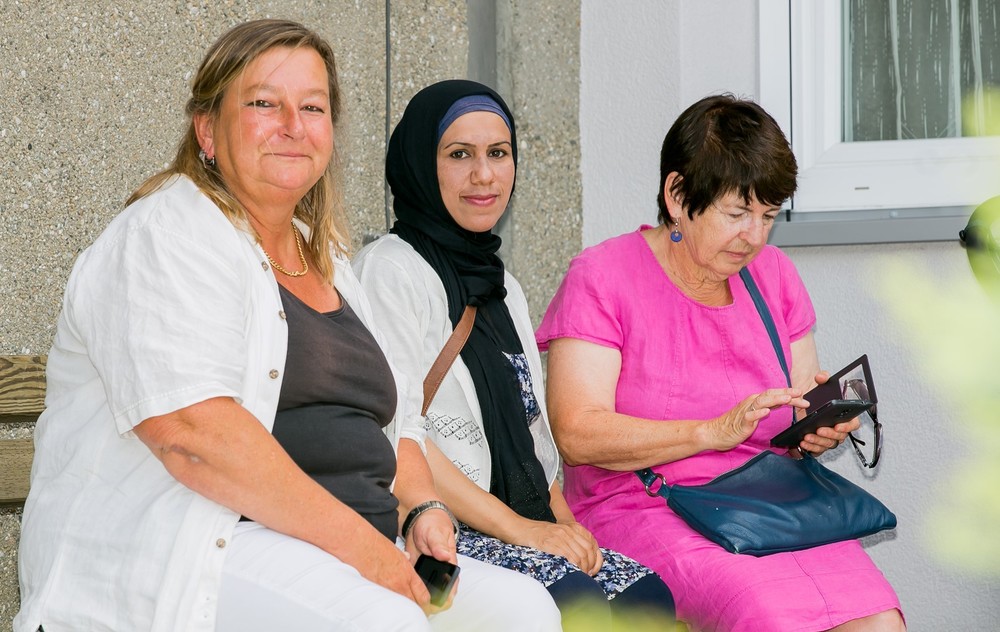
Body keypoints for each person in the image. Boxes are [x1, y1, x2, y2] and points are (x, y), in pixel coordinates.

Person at [15, 20, 560, 632]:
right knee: (385, 624)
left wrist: (421, 508)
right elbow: (194, 436)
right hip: (202, 548)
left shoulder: (324, 257)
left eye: (313, 107)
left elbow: (400, 419)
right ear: (207, 130)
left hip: (348, 544)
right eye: (264, 104)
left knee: (524, 611)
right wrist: (365, 549)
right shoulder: (164, 235)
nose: (293, 126)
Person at [535, 94, 905, 631]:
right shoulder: (602, 277)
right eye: (737, 213)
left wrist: (814, 432)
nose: (754, 236)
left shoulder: (774, 275)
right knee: (767, 615)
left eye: (768, 215)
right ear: (678, 194)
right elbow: (577, 433)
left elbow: (794, 417)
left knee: (878, 618)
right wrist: (711, 432)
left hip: (773, 503)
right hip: (646, 506)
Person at [353, 79, 676, 629]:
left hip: (512, 520)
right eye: (460, 155)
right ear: (421, 165)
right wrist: (526, 532)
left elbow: (529, 432)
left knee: (644, 600)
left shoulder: (503, 287)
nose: (484, 175)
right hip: (432, 528)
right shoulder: (389, 270)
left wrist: (566, 529)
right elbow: (400, 436)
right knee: (574, 603)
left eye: (498, 154)